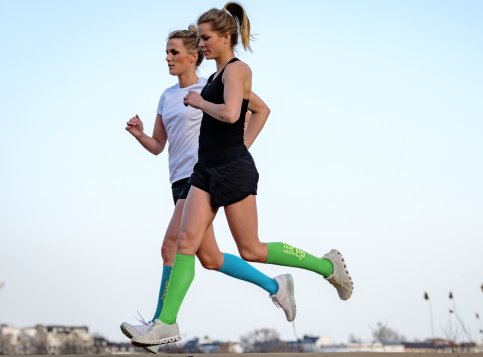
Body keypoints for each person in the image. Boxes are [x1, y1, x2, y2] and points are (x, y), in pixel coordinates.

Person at [132, 2, 353, 347]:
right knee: (185, 245)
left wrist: (230, 134)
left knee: (251, 248)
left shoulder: (237, 70)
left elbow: (235, 112)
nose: (201, 43)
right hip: (203, 170)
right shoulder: (213, 79)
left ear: (225, 37)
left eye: (205, 38)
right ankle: (166, 323)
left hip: (231, 169)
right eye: (199, 39)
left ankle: (327, 267)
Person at [122, 25, 295, 353]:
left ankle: (160, 325)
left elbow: (257, 109)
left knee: (170, 246)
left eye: (174, 52)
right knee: (211, 258)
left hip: (203, 176)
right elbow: (159, 146)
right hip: (178, 182)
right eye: (166, 52)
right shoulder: (166, 96)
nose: (167, 58)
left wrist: (238, 149)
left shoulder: (213, 86)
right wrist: (140, 134)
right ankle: (275, 286)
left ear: (193, 56)